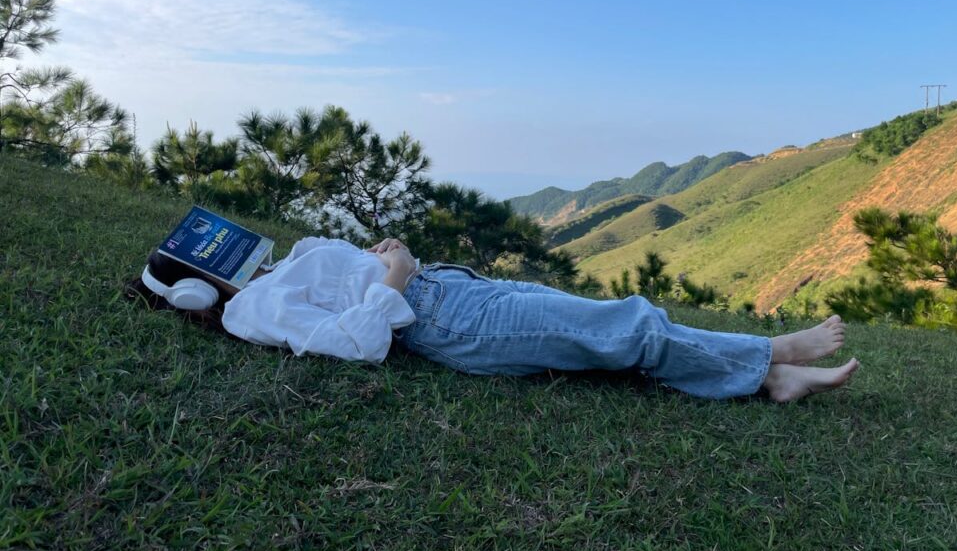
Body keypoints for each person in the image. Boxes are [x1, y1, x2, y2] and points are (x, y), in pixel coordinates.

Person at [126, 235, 859, 402]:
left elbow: (349, 288)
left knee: (623, 317)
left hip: (461, 289)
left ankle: (764, 358)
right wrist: (396, 275)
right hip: (450, 325)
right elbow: (358, 342)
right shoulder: (252, 310)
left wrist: (383, 260)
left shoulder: (274, 271)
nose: (221, 241)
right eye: (203, 250)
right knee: (625, 330)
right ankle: (770, 369)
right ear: (196, 292)